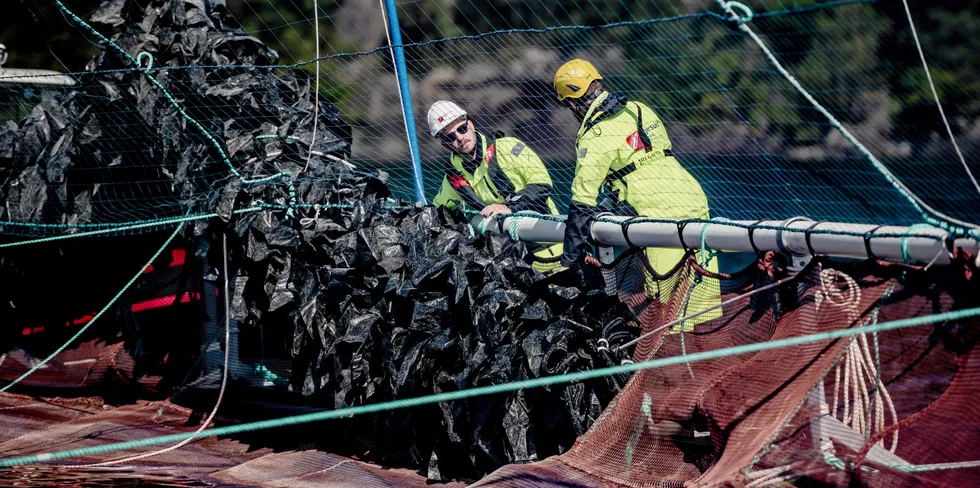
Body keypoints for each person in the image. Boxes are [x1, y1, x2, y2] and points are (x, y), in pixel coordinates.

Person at [552, 59, 721, 328]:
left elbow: (583, 200)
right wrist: (614, 201)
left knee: (668, 305)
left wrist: (570, 260)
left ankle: (673, 361)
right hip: (691, 195)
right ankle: (710, 355)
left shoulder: (594, 135)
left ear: (571, 103)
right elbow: (648, 159)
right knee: (703, 300)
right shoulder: (639, 109)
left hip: (658, 213)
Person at [427, 100, 564, 275]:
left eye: (462, 129)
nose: (459, 138)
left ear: (471, 124)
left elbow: (542, 184)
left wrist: (509, 207)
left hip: (555, 246)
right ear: (444, 144)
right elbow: (437, 210)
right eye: (450, 137)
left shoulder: (507, 147)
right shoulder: (454, 175)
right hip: (515, 261)